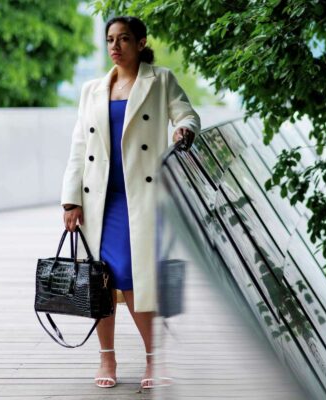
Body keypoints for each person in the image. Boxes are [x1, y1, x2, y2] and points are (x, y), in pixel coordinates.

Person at [60, 15, 200, 389]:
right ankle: (107, 357)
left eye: (124, 39)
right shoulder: (92, 89)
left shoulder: (161, 80)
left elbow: (186, 112)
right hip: (97, 199)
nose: (115, 46)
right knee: (99, 279)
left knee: (132, 275)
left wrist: (183, 127)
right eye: (110, 39)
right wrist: (70, 201)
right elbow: (78, 148)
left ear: (140, 43)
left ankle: (154, 358)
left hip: (138, 196)